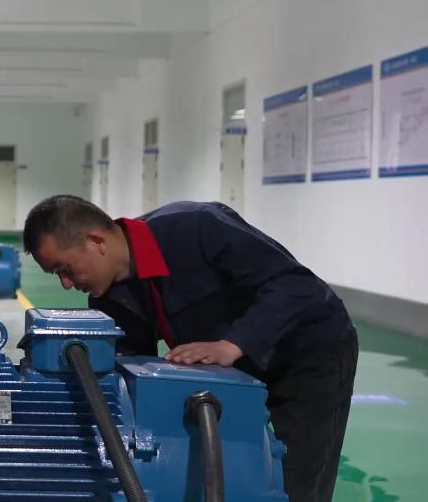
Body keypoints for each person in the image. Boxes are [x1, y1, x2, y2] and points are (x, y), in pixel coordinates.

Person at [22, 196, 357, 502]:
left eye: (65, 269)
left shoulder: (196, 228)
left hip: (307, 354)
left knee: (296, 480)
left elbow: (295, 286)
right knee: (244, 471)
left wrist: (233, 343)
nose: (66, 283)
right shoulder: (109, 296)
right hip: (239, 373)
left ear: (96, 241)